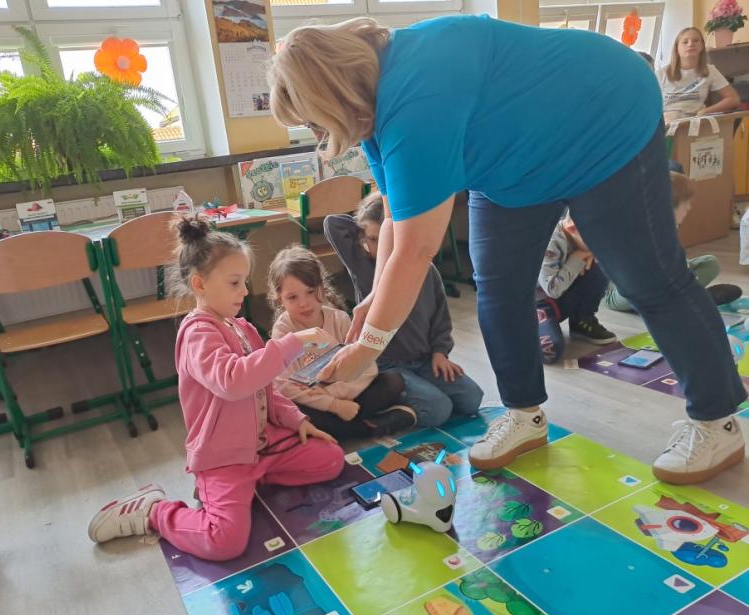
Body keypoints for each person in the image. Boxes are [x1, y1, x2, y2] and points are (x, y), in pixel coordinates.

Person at [268, 15, 746, 485]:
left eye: (312, 119)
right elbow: (396, 216)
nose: (317, 132)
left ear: (332, 94)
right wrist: (374, 300)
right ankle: (524, 414)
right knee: (498, 286)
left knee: (649, 279)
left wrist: (367, 346)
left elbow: (416, 250)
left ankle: (717, 421)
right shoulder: (374, 106)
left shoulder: (416, 98)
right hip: (517, 158)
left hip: (605, 118)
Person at [88, 216, 343, 560]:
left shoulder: (242, 327)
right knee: (224, 542)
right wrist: (292, 343)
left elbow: (267, 389)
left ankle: (252, 482)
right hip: (224, 458)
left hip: (262, 447)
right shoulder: (198, 333)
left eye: (244, 282)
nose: (244, 291)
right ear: (200, 284)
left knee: (330, 460)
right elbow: (233, 381)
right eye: (235, 283)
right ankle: (154, 512)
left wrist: (297, 420)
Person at [323, 192, 483, 426]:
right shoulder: (362, 265)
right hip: (387, 365)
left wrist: (440, 352)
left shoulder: (424, 269)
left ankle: (418, 391)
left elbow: (440, 317)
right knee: (439, 409)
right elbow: (332, 224)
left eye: (388, 240)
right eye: (373, 240)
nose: (381, 248)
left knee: (472, 398)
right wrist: (376, 210)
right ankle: (390, 402)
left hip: (424, 360)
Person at [269, 245, 416, 438]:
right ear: (279, 299)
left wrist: (335, 396)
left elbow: (367, 367)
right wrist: (334, 405)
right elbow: (283, 385)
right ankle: (369, 428)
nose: (304, 303)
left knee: (393, 380)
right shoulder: (283, 330)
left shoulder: (339, 319)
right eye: (292, 297)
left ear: (322, 287)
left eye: (310, 291)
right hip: (316, 403)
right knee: (293, 411)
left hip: (346, 394)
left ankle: (348, 426)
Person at [604, 171, 741, 312]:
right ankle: (689, 299)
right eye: (686, 203)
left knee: (710, 263)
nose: (689, 207)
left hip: (660, 283)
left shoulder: (669, 227)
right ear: (668, 207)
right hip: (623, 291)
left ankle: (684, 298)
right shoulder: (641, 230)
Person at [537, 216, 616, 364]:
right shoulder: (550, 242)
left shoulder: (580, 236)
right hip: (539, 304)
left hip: (560, 299)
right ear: (572, 229)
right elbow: (552, 289)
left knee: (602, 263)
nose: (598, 245)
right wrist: (578, 257)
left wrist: (590, 254)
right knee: (550, 351)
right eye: (594, 241)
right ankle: (520, 329)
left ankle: (581, 320)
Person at [658, 27, 740, 122]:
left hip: (696, 120)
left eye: (696, 41)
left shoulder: (710, 70)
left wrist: (706, 111)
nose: (690, 44)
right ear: (677, 48)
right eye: (685, 42)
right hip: (668, 121)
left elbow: (733, 99)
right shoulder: (661, 73)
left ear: (701, 46)